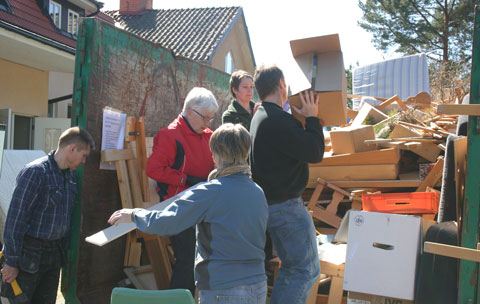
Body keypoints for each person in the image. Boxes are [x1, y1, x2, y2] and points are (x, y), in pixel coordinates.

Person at [109, 123, 268, 304]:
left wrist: (134, 215)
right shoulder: (257, 191)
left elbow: (167, 222)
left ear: (215, 156)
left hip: (223, 288)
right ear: (245, 153)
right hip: (257, 285)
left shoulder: (209, 192)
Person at [249, 65, 325, 304]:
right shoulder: (277, 121)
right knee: (305, 271)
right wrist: (312, 117)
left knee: (293, 270)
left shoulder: (261, 116)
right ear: (281, 84)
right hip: (287, 209)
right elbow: (314, 152)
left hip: (272, 206)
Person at [0, 127, 94, 303]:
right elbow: (15, 219)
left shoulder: (71, 178)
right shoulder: (36, 172)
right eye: (84, 156)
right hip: (28, 255)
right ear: (72, 149)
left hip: (53, 255)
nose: (84, 161)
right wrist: (11, 261)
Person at [146, 87, 218, 296]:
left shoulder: (208, 135)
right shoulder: (170, 135)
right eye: (205, 118)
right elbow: (153, 170)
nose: (207, 124)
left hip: (203, 205)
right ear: (190, 112)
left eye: (211, 119)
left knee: (202, 260)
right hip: (179, 205)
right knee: (187, 262)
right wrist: (186, 179)